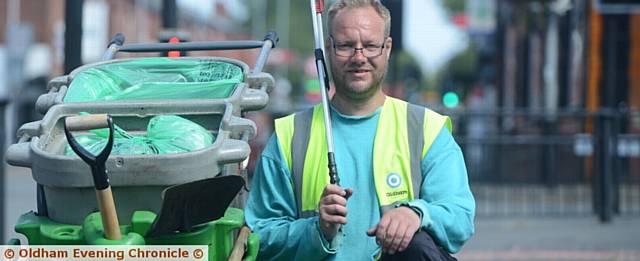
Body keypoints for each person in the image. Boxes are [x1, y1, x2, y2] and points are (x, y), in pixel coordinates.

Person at [244, 0, 475, 260]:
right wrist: (316, 230)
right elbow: (259, 235)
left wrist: (417, 214)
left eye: (370, 45)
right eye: (345, 46)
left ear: (387, 48)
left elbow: (459, 215)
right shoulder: (290, 136)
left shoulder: (427, 129)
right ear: (328, 48)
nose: (359, 56)